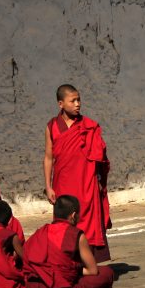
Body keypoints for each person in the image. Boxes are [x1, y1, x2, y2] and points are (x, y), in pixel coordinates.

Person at [43, 84, 111, 262]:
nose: (77, 104)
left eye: (78, 100)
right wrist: (48, 186)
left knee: (87, 219)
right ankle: (66, 259)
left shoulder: (88, 126)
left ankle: (89, 261)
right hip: (63, 182)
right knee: (65, 219)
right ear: (60, 104)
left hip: (86, 182)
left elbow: (99, 156)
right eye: (72, 101)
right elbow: (48, 158)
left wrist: (98, 180)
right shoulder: (52, 126)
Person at [23, 195, 114, 288]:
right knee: (106, 273)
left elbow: (27, 264)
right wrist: (75, 268)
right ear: (73, 215)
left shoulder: (39, 234)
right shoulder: (76, 235)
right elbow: (92, 271)